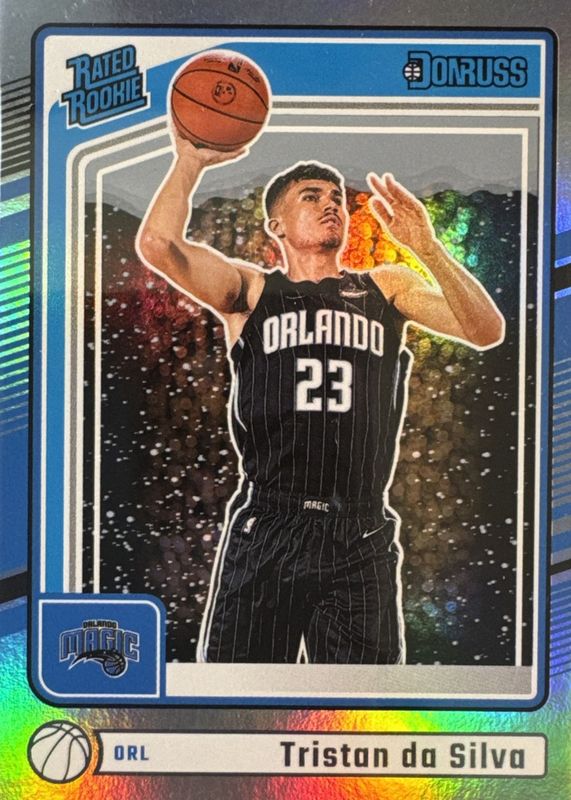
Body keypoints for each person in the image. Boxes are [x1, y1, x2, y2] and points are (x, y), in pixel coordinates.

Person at [136, 131, 505, 664]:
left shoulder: (386, 285)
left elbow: (485, 329)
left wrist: (427, 248)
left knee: (361, 706)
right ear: (276, 226)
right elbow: (157, 246)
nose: (331, 204)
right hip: (270, 522)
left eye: (336, 198)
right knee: (239, 700)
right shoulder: (253, 291)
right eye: (311, 196)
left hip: (360, 529)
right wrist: (189, 162)